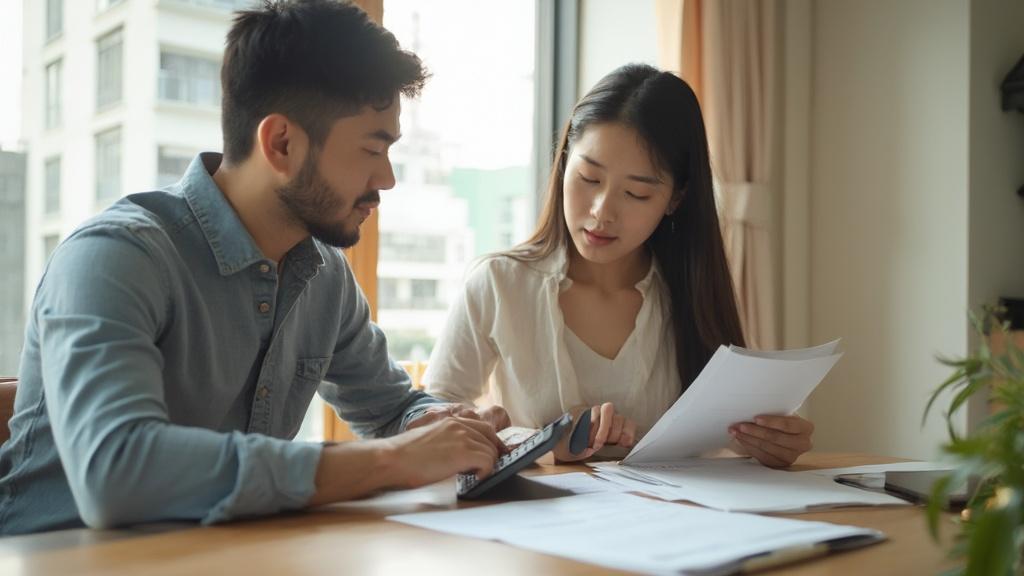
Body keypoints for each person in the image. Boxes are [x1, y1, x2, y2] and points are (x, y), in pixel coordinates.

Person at [0, 0, 510, 536]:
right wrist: (393, 461)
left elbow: (391, 406)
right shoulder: (114, 257)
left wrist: (432, 426)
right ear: (281, 143)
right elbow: (116, 474)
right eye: (370, 149)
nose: (386, 179)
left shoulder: (323, 274)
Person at [423, 64, 813, 467]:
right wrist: (541, 442)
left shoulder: (690, 291)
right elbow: (433, 420)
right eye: (589, 178)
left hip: (673, 521)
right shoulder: (499, 283)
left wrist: (770, 441)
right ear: (563, 164)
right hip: (534, 523)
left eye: (636, 193)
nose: (601, 212)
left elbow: (726, 434)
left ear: (675, 200)